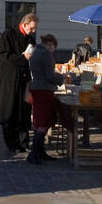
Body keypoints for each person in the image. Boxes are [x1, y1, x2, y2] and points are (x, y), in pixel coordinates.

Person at [0, 13, 37, 153]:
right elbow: (5, 56)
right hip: (10, 80)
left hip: (24, 80)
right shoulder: (9, 35)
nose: (34, 31)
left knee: (24, 111)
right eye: (32, 28)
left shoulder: (30, 39)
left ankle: (24, 142)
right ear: (24, 24)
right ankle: (12, 143)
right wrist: (23, 57)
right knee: (10, 111)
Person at [26, 35, 67, 164]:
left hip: (37, 88)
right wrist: (62, 78)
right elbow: (49, 75)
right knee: (43, 122)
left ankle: (40, 152)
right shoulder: (46, 54)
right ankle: (33, 153)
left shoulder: (36, 52)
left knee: (40, 121)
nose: (54, 49)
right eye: (54, 47)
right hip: (44, 90)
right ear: (50, 44)